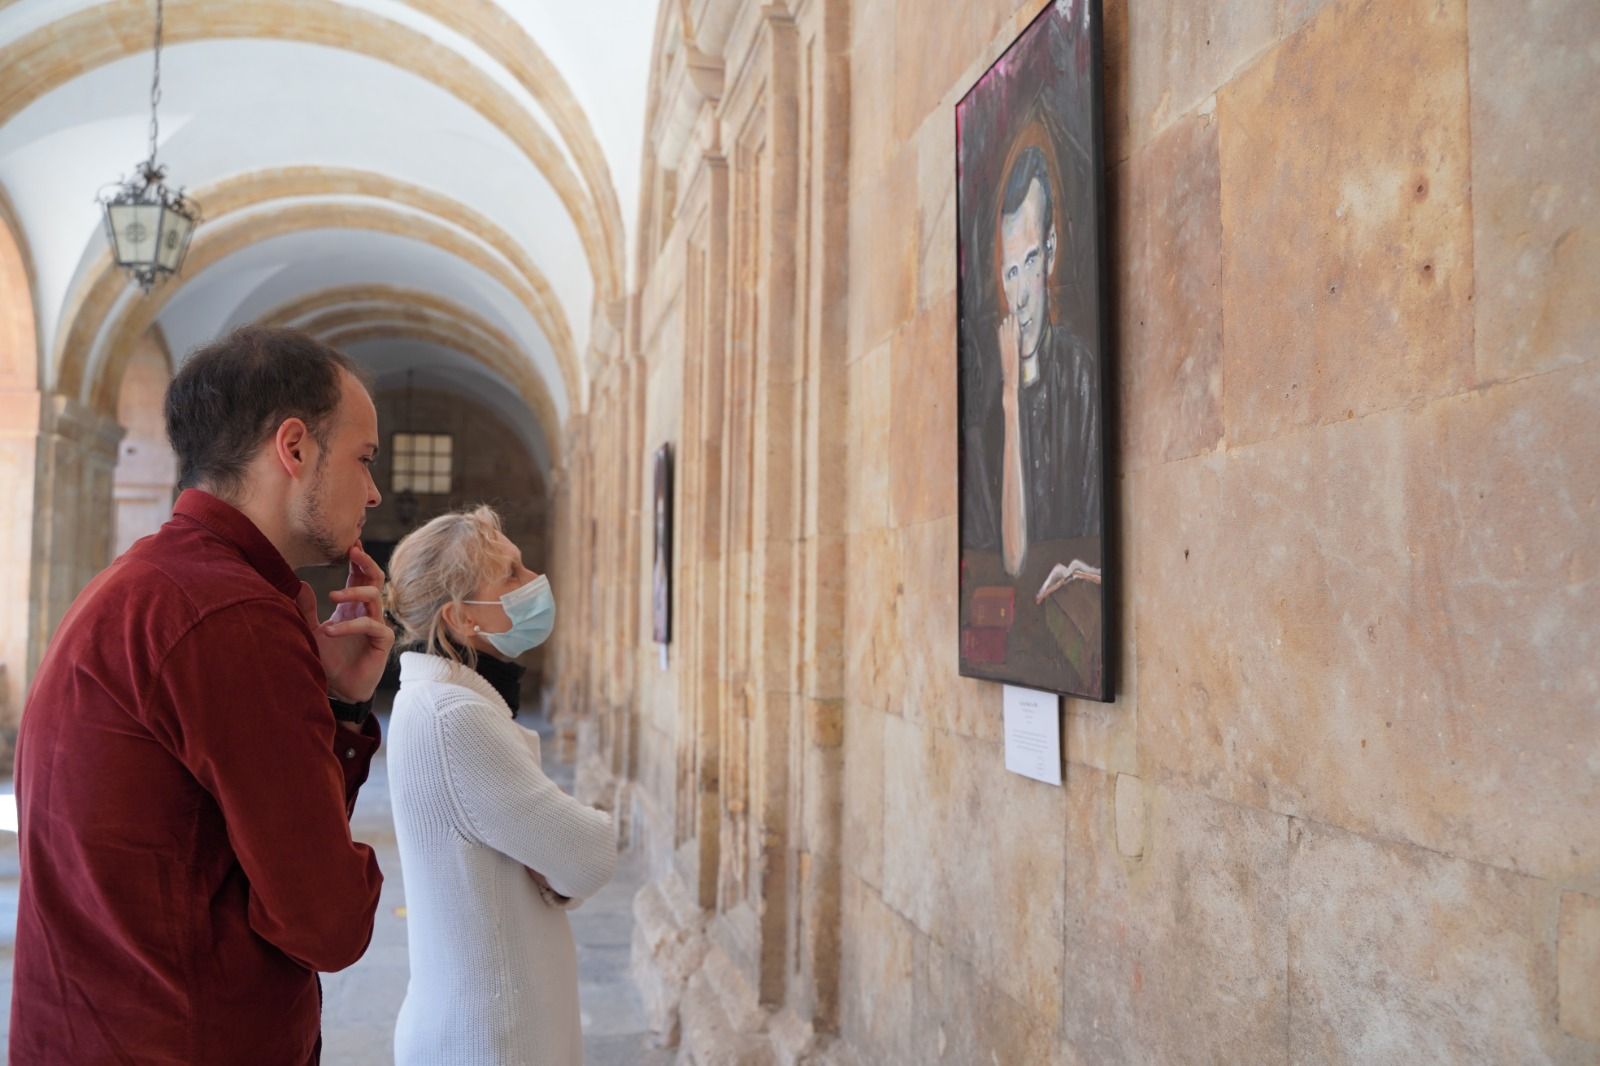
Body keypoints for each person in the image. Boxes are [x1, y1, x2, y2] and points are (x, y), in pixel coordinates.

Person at [9, 326, 395, 1063]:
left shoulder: (141, 580)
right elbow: (327, 923)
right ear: (294, 448)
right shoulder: (232, 616)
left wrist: (337, 705)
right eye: (364, 458)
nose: (374, 491)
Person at [384, 505, 618, 1066]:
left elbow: (561, 855)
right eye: (510, 575)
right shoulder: (453, 717)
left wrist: (554, 861)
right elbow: (590, 853)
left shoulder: (442, 702)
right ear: (463, 618)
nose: (533, 581)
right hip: (489, 1037)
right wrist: (569, 850)